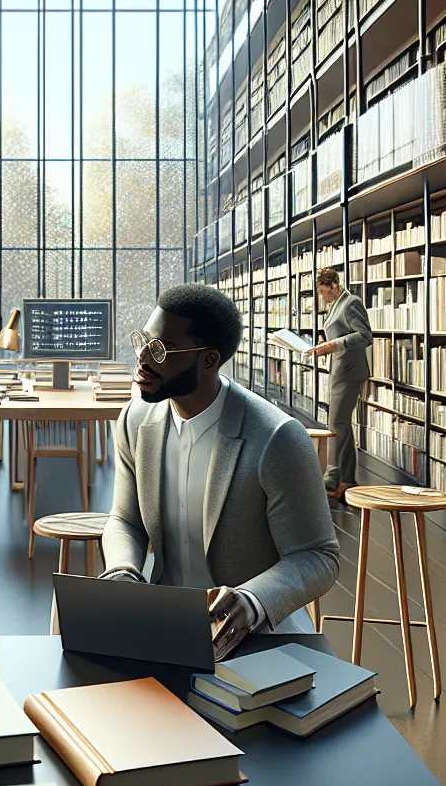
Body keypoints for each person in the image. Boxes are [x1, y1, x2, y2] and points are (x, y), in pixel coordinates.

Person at [99, 283, 342, 661]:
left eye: (161, 349)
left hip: (260, 641)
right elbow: (125, 519)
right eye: (143, 341)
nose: (143, 358)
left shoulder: (278, 437)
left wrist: (251, 600)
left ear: (209, 360)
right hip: (164, 631)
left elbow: (317, 555)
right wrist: (122, 572)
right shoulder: (135, 419)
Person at [305, 266, 371, 500]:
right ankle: (348, 479)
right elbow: (339, 334)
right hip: (340, 367)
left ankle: (332, 475)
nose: (323, 297)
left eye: (326, 292)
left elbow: (365, 336)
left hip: (350, 370)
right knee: (343, 424)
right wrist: (326, 344)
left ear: (335, 286)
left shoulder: (351, 302)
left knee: (336, 423)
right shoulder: (335, 304)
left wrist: (334, 345)